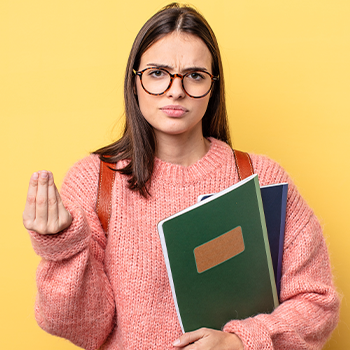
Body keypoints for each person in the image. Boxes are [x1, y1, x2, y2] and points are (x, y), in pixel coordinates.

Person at [23, 3, 340, 350]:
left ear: (213, 85)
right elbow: (85, 329)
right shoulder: (95, 181)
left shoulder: (260, 176)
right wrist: (63, 249)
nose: (176, 90)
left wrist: (240, 341)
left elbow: (317, 304)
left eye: (194, 75)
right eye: (158, 73)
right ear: (135, 81)